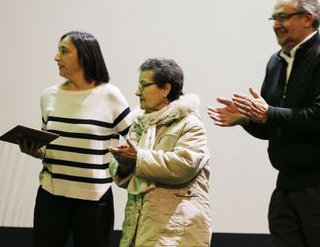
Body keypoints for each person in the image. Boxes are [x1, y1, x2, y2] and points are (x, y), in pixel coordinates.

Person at [207, 0, 320, 247]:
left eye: (284, 17)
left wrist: (268, 113)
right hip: (289, 184)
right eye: (274, 19)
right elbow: (273, 126)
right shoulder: (276, 62)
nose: (276, 25)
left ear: (308, 17)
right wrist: (248, 119)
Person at [19, 31, 132, 247]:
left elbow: (136, 140)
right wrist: (36, 150)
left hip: (94, 201)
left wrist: (126, 160)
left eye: (64, 51)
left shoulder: (110, 95)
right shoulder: (49, 96)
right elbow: (49, 144)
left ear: (85, 56)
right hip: (51, 196)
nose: (56, 57)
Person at [108, 58, 212, 247]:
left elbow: (182, 165)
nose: (137, 92)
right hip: (141, 228)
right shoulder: (141, 123)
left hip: (176, 233)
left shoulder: (190, 124)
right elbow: (131, 168)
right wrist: (123, 164)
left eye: (144, 85)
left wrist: (137, 158)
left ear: (166, 89)